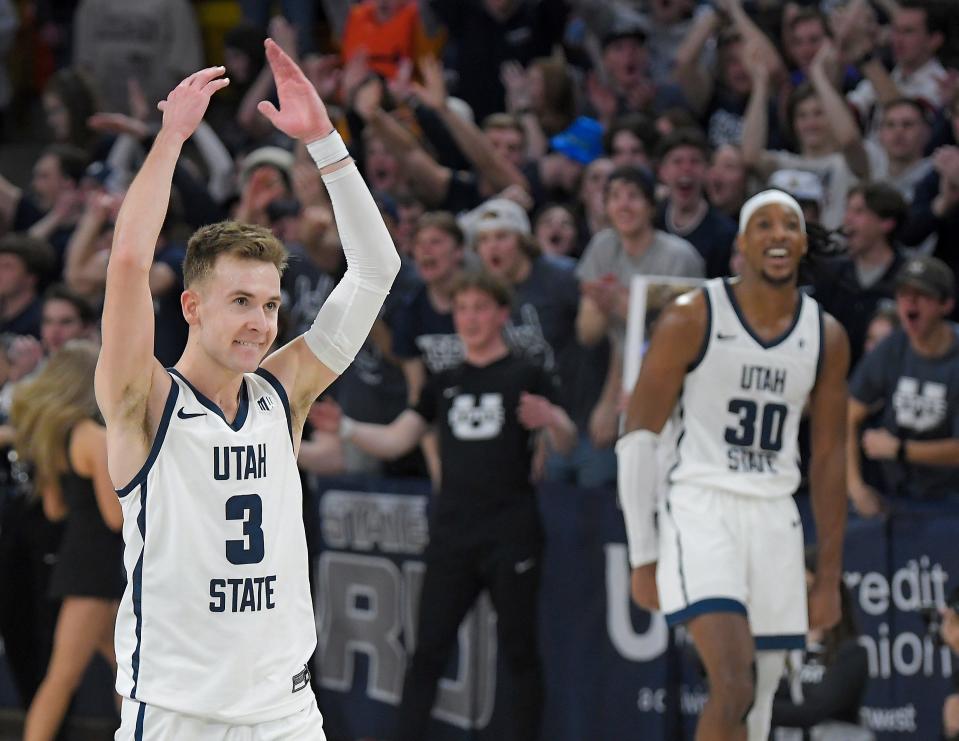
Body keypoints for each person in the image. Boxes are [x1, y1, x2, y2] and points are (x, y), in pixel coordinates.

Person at [96, 41, 400, 739]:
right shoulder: (142, 401)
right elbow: (129, 265)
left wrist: (326, 142)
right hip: (180, 714)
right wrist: (171, 137)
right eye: (240, 301)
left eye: (269, 304)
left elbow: (375, 269)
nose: (261, 323)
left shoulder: (281, 393)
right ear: (193, 307)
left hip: (286, 713)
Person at [617, 189, 849, 740]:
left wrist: (831, 577)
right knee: (733, 681)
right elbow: (637, 437)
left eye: (789, 225)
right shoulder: (691, 317)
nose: (777, 235)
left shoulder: (826, 336)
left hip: (774, 515)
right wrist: (643, 553)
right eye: (763, 225)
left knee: (761, 700)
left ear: (802, 242)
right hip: (700, 508)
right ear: (741, 244)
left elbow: (831, 459)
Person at [314, 270, 576, 741]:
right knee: (428, 650)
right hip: (453, 532)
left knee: (519, 651)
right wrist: (347, 428)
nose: (470, 318)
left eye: (479, 308)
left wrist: (552, 419)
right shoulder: (444, 379)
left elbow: (568, 442)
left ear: (500, 315)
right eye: (462, 309)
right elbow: (398, 439)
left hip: (511, 529)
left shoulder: (527, 373)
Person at [12, 341, 124, 741]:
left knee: (128, 670)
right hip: (95, 571)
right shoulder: (95, 437)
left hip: (81, 562)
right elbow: (115, 518)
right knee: (63, 678)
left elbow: (55, 510)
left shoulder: (56, 436)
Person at [847, 256, 959, 516]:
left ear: (946, 304)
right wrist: (855, 486)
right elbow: (847, 415)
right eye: (903, 294)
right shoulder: (892, 348)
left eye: (922, 295)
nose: (910, 302)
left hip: (952, 502)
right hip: (897, 496)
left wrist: (899, 450)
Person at [770, 551, 872, 740]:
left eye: (807, 589)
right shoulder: (781, 650)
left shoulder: (852, 652)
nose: (799, 598)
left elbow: (815, 709)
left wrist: (753, 709)